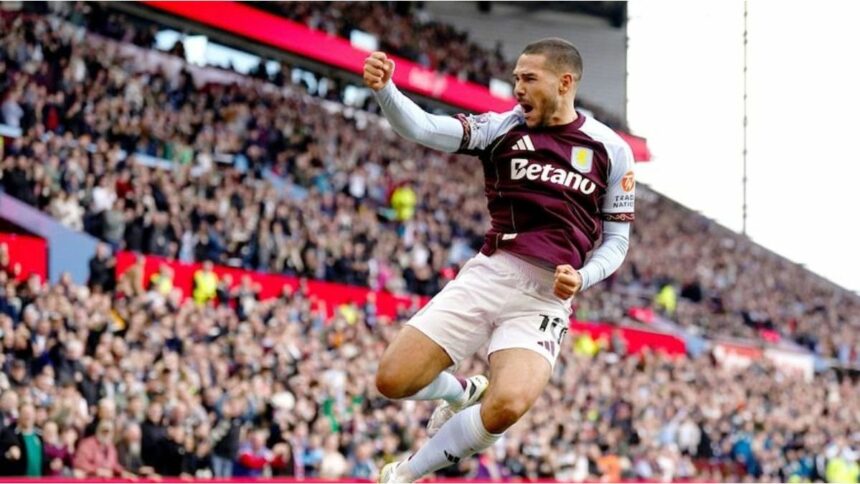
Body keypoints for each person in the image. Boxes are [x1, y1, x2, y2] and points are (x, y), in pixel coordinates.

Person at [363, 37, 635, 483]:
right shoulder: (501, 128)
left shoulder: (611, 149)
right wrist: (387, 90)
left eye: (529, 79)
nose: (518, 89)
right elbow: (425, 129)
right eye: (515, 79)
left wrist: (583, 277)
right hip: (491, 272)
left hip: (546, 298)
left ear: (564, 82)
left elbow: (617, 241)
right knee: (393, 380)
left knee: (508, 404)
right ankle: (462, 390)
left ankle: (406, 474)